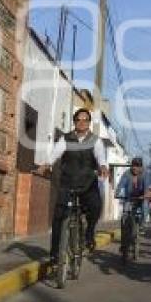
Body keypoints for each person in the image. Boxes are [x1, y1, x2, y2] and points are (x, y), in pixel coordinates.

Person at [48, 108, 109, 262]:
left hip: (88, 183)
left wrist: (102, 166)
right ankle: (55, 253)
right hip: (67, 182)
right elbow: (55, 153)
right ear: (74, 122)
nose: (82, 123)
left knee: (95, 206)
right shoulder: (65, 139)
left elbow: (100, 156)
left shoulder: (96, 140)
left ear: (89, 123)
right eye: (78, 120)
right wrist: (46, 164)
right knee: (58, 216)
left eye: (85, 120)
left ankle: (89, 233)